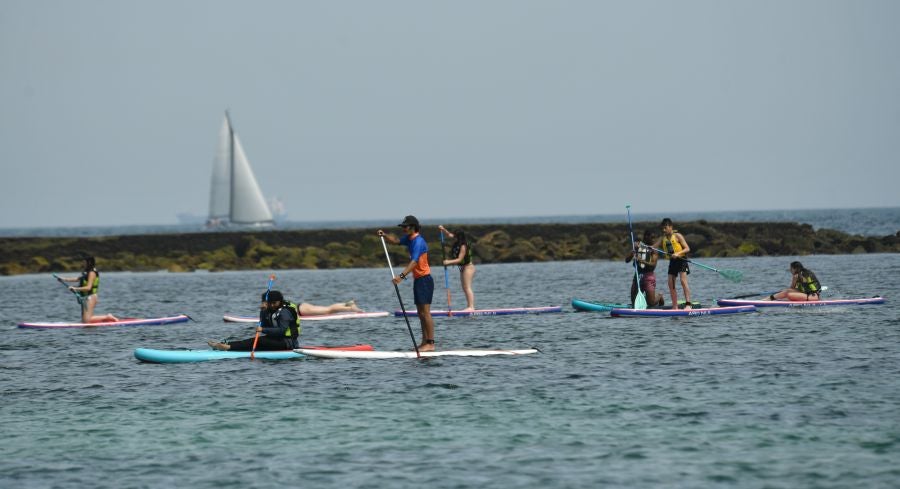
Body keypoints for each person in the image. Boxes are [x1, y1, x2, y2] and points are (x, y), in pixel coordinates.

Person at [378, 215, 436, 352]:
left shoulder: (418, 242)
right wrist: (385, 235)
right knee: (420, 313)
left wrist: (401, 276)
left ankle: (431, 343)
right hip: (418, 280)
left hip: (425, 280)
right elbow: (396, 241)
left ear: (413, 227)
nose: (403, 229)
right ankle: (424, 342)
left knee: (425, 313)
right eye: (403, 227)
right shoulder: (409, 239)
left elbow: (414, 261)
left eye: (406, 227)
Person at [209, 290, 300, 351]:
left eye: (274, 303)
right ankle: (226, 345)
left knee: (259, 341)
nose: (272, 305)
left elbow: (282, 330)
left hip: (289, 342)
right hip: (276, 339)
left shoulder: (285, 312)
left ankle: (228, 347)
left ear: (280, 301)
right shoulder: (271, 309)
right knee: (253, 341)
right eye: (270, 303)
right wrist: (263, 311)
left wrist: (262, 330)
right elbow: (264, 324)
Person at [57, 255, 119, 323]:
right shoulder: (87, 272)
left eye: (84, 262)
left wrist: (75, 288)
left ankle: (107, 317)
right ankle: (105, 319)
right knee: (85, 321)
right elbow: (77, 279)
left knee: (87, 320)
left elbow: (88, 287)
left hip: (91, 297)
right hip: (86, 297)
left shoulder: (92, 272)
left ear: (89, 262)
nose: (83, 264)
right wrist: (63, 279)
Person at [653, 218, 692, 309]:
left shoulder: (678, 236)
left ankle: (688, 305)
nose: (664, 230)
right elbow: (654, 246)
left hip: (682, 260)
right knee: (671, 283)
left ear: (671, 227)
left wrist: (677, 253)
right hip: (673, 262)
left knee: (683, 281)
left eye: (665, 228)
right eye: (662, 228)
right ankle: (675, 306)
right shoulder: (663, 238)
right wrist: (643, 246)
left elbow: (687, 248)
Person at [437, 225, 476, 311]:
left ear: (459, 236)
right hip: (462, 268)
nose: (453, 236)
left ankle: (471, 307)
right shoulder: (457, 241)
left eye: (455, 235)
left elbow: (460, 259)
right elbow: (449, 235)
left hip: (468, 267)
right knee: (464, 287)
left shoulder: (463, 246)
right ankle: (469, 306)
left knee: (467, 287)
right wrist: (443, 229)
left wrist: (448, 262)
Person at [626, 229, 664, 308]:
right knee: (634, 303)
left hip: (649, 277)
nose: (653, 239)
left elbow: (653, 265)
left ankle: (659, 296)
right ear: (646, 237)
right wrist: (633, 251)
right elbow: (626, 260)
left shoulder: (654, 250)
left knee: (651, 303)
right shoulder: (638, 246)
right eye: (652, 237)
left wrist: (641, 261)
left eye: (654, 237)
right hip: (637, 276)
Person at [296, 300, 363, 316]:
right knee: (328, 308)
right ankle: (348, 304)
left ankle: (350, 308)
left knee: (328, 310)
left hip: (302, 310)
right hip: (301, 307)